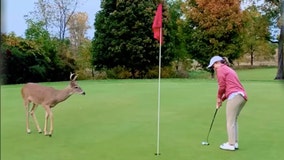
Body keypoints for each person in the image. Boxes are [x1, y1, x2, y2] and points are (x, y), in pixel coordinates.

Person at [207, 55, 248, 151]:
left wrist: (218, 98)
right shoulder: (228, 69)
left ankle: (231, 144)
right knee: (233, 120)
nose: (213, 68)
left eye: (213, 66)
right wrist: (222, 99)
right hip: (241, 96)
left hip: (235, 96)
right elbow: (229, 88)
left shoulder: (220, 69)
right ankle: (235, 142)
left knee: (230, 121)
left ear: (217, 63)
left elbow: (222, 86)